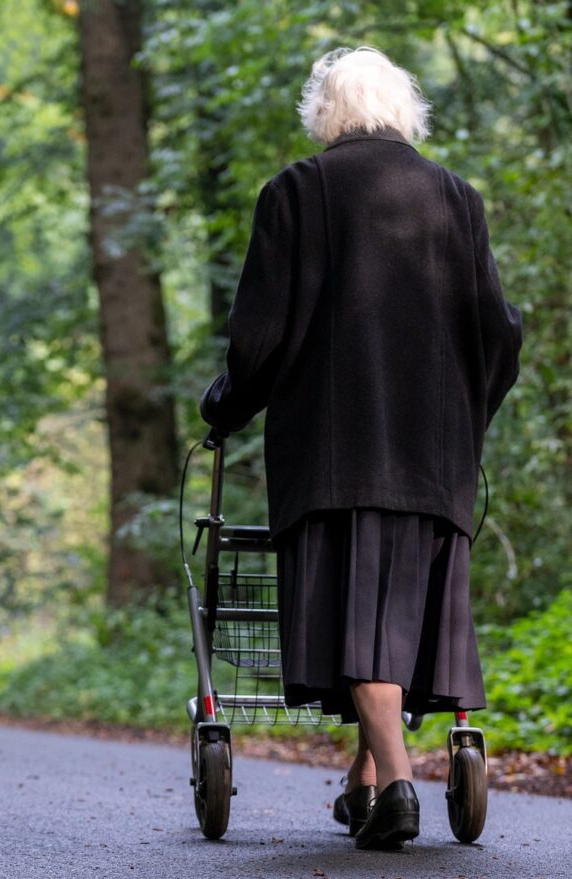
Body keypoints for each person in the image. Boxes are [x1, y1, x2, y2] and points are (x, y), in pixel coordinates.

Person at [199, 46, 522, 850]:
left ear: (325, 112)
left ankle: (401, 782)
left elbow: (260, 336)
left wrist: (226, 405)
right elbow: (501, 334)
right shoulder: (456, 198)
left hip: (334, 455)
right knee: (395, 620)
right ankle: (364, 782)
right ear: (404, 110)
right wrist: (464, 418)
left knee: (360, 619)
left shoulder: (296, 195)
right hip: (435, 458)